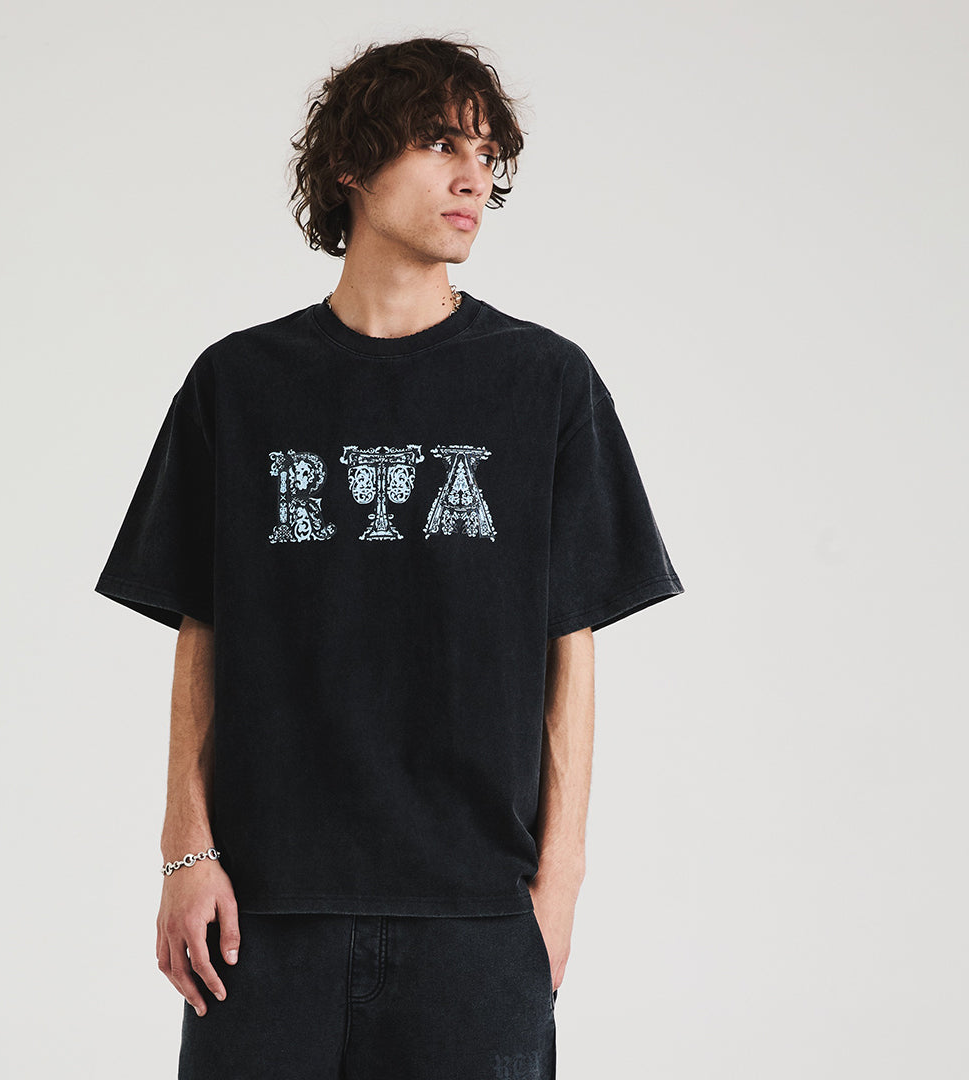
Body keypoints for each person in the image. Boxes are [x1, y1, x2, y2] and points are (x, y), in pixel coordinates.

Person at [94, 34, 684, 1080]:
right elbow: (202, 629)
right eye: (439, 142)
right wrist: (185, 851)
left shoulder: (545, 383)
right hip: (261, 915)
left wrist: (558, 888)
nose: (474, 176)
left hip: (476, 916)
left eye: (488, 153)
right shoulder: (239, 384)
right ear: (352, 166)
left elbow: (571, 647)